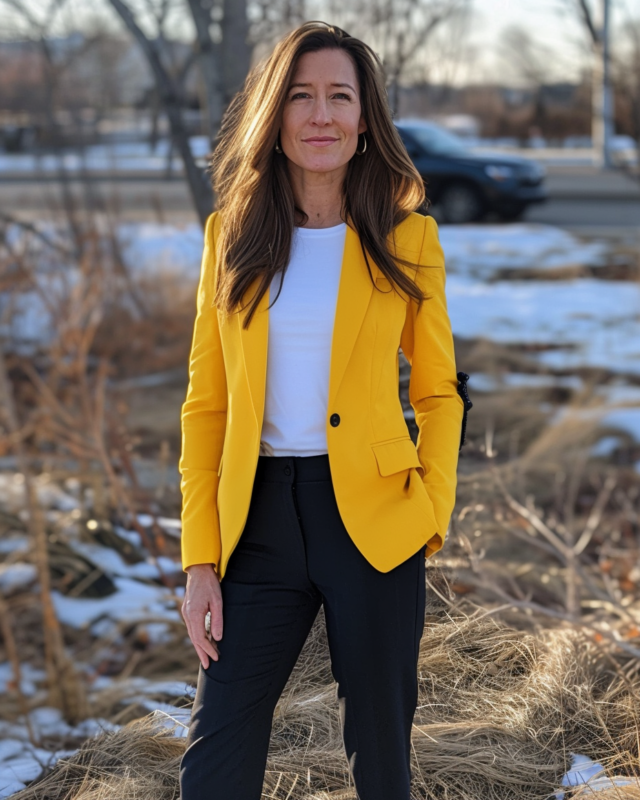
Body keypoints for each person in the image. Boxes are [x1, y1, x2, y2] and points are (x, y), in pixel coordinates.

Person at [178, 20, 464, 800]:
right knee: (215, 755)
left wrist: (431, 505)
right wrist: (200, 559)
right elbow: (207, 405)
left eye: (340, 96)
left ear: (365, 118)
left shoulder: (407, 241)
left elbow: (438, 390)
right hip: (258, 526)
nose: (321, 116)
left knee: (380, 760)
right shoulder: (230, 237)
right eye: (301, 97)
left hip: (374, 521)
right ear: (276, 115)